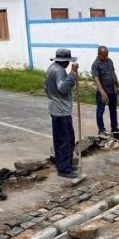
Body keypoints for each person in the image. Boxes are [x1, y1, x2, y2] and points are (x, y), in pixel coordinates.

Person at [44, 48, 79, 179]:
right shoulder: (58, 71)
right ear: (64, 61)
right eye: (68, 62)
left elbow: (45, 88)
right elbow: (63, 88)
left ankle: (65, 165)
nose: (69, 64)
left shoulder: (51, 68)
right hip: (61, 111)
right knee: (65, 140)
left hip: (57, 108)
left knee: (62, 139)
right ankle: (64, 169)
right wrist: (72, 75)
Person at [91, 46, 119, 138]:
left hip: (112, 90)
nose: (105, 57)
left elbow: (113, 73)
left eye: (106, 55)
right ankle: (101, 130)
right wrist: (102, 92)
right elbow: (96, 79)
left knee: (113, 110)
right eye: (103, 56)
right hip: (103, 92)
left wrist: (118, 86)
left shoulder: (109, 61)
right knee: (100, 111)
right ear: (98, 54)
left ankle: (114, 128)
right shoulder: (95, 64)